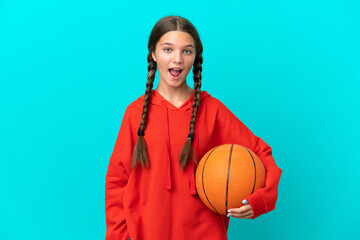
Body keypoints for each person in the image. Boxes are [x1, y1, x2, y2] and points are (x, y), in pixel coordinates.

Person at [105, 15, 282, 240]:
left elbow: (261, 153)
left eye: (187, 51)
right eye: (168, 49)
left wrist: (260, 200)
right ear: (153, 54)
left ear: (195, 57)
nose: (177, 59)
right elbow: (116, 184)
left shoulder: (213, 110)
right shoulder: (135, 113)